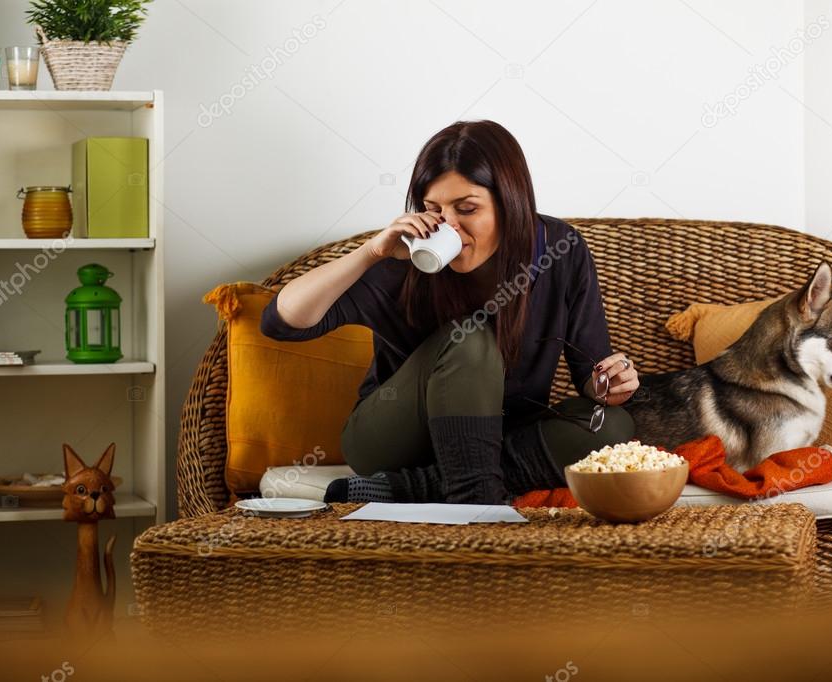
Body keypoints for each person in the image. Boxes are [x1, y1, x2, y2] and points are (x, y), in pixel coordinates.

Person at [260, 120, 639, 505]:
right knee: (470, 339)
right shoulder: (404, 259)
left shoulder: (561, 249)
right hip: (393, 441)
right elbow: (282, 322)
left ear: (510, 203)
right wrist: (371, 253)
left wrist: (610, 381)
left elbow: (589, 375)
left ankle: (414, 488)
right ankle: (476, 502)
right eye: (434, 209)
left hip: (499, 437)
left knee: (613, 427)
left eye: (467, 208)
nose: (450, 226)